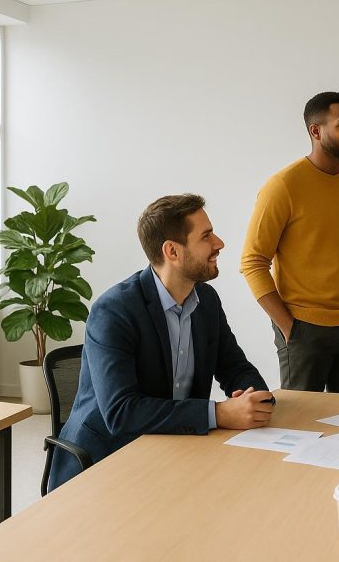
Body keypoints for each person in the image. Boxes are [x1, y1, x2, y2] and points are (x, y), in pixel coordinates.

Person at [47, 194, 273, 491]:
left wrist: (253, 398)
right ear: (173, 251)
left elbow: (235, 366)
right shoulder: (114, 310)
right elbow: (121, 412)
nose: (219, 243)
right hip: (105, 464)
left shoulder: (206, 301)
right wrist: (218, 414)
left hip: (176, 450)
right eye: (206, 236)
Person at [240, 91, 339, 394]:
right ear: (316, 131)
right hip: (305, 330)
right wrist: (289, 328)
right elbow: (252, 262)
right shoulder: (283, 187)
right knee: (301, 428)